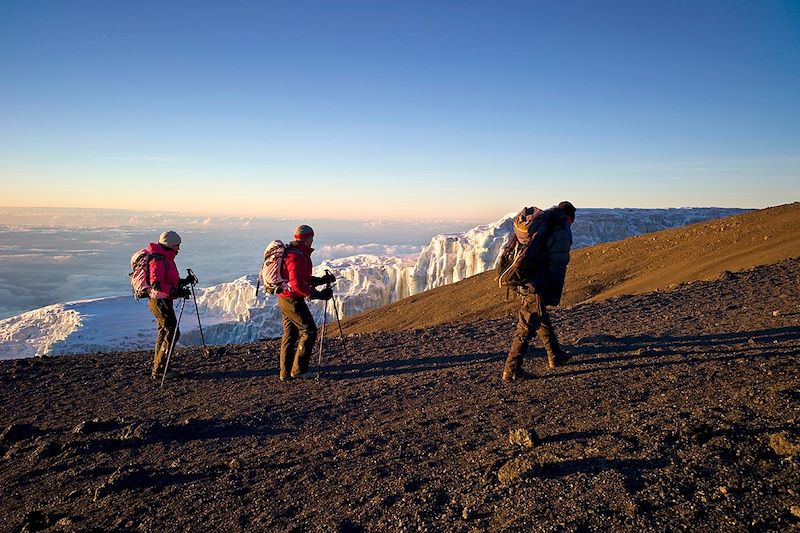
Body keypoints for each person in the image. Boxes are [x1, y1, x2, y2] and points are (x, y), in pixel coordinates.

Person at [502, 201, 576, 383]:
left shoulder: (543, 226)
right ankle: (511, 370)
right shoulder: (559, 233)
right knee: (526, 326)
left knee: (540, 317)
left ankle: (555, 355)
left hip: (525, 278)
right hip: (536, 284)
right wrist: (552, 291)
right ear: (570, 218)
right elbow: (557, 266)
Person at [277, 225, 334, 381]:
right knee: (309, 331)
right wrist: (318, 295)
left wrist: (321, 280)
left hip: (285, 298)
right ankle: (299, 371)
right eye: (312, 238)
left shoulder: (294, 252)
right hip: (292, 300)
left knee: (290, 334)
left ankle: (285, 373)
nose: (312, 241)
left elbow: (302, 279)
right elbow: (297, 284)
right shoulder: (297, 256)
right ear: (308, 239)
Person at [146, 230, 196, 380]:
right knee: (172, 332)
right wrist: (175, 291)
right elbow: (156, 284)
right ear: (169, 245)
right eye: (177, 245)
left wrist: (183, 282)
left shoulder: (165, 258)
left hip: (162, 301)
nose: (178, 249)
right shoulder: (158, 260)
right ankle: (160, 369)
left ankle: (159, 365)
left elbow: (168, 281)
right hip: (160, 301)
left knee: (165, 332)